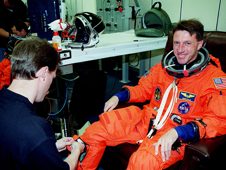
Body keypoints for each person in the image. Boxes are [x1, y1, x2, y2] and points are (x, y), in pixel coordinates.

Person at [71, 19, 226, 170]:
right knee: (94, 132)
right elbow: (143, 89)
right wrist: (119, 96)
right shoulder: (165, 68)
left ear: (199, 45)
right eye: (177, 43)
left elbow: (218, 121)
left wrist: (180, 131)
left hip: (176, 135)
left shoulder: (214, 80)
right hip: (146, 121)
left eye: (187, 43)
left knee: (141, 163)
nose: (180, 49)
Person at [0, 37, 84, 170]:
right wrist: (77, 150)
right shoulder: (36, 130)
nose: (50, 85)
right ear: (44, 73)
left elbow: (15, 148)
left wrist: (49, 147)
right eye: (53, 77)